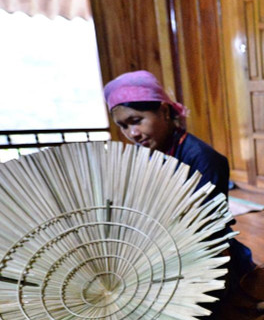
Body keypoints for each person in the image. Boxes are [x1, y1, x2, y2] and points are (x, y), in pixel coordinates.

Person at [103, 70, 253, 284]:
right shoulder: (141, 155)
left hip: (198, 249)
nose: (132, 133)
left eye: (136, 120)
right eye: (123, 126)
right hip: (155, 243)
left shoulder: (204, 159)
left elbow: (208, 228)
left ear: (164, 112)